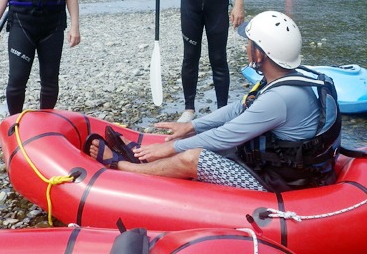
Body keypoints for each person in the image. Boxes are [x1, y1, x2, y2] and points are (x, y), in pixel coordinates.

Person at [85, 11, 341, 193]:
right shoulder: (285, 77)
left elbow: (224, 137)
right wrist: (191, 126)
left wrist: (173, 148)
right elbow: (240, 107)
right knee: (192, 142)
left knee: (192, 158)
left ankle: (123, 166)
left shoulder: (280, 98)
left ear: (260, 54)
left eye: (249, 44)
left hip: (285, 183)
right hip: (291, 167)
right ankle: (145, 158)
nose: (245, 48)